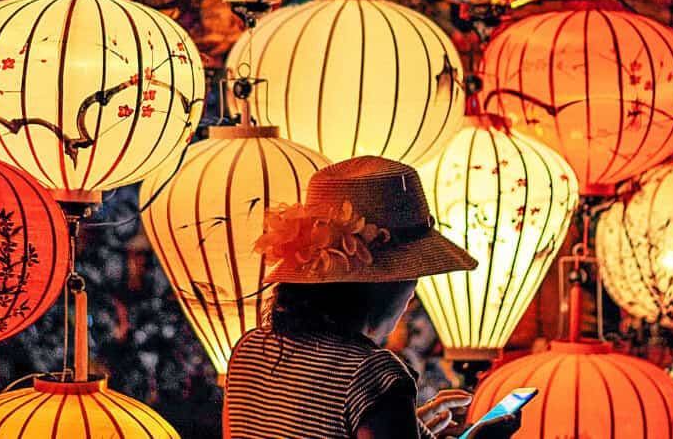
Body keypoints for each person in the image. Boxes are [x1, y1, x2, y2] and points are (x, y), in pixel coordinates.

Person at [223, 156, 521, 439]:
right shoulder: (373, 374)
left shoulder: (249, 350)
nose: (413, 292)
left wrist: (404, 424)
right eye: (412, 274)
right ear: (383, 283)